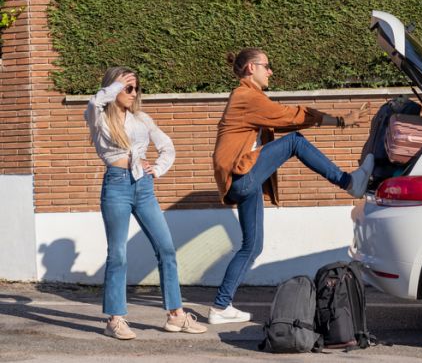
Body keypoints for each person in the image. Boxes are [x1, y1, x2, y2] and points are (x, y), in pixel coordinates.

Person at [209, 48, 374, 324]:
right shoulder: (245, 97)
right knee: (295, 141)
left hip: (245, 180)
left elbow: (284, 120)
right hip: (241, 176)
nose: (270, 71)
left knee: (252, 247)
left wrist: (339, 121)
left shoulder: (252, 98)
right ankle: (349, 182)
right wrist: (341, 120)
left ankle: (220, 307)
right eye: (267, 65)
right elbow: (291, 117)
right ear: (251, 68)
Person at [84, 66, 207, 339]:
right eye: (128, 87)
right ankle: (115, 319)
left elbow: (167, 146)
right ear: (114, 87)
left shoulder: (141, 118)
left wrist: (159, 168)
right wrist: (117, 85)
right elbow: (95, 101)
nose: (132, 92)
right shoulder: (98, 118)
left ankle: (176, 316)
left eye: (135, 88)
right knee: (118, 254)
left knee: (166, 249)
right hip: (116, 186)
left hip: (144, 187)